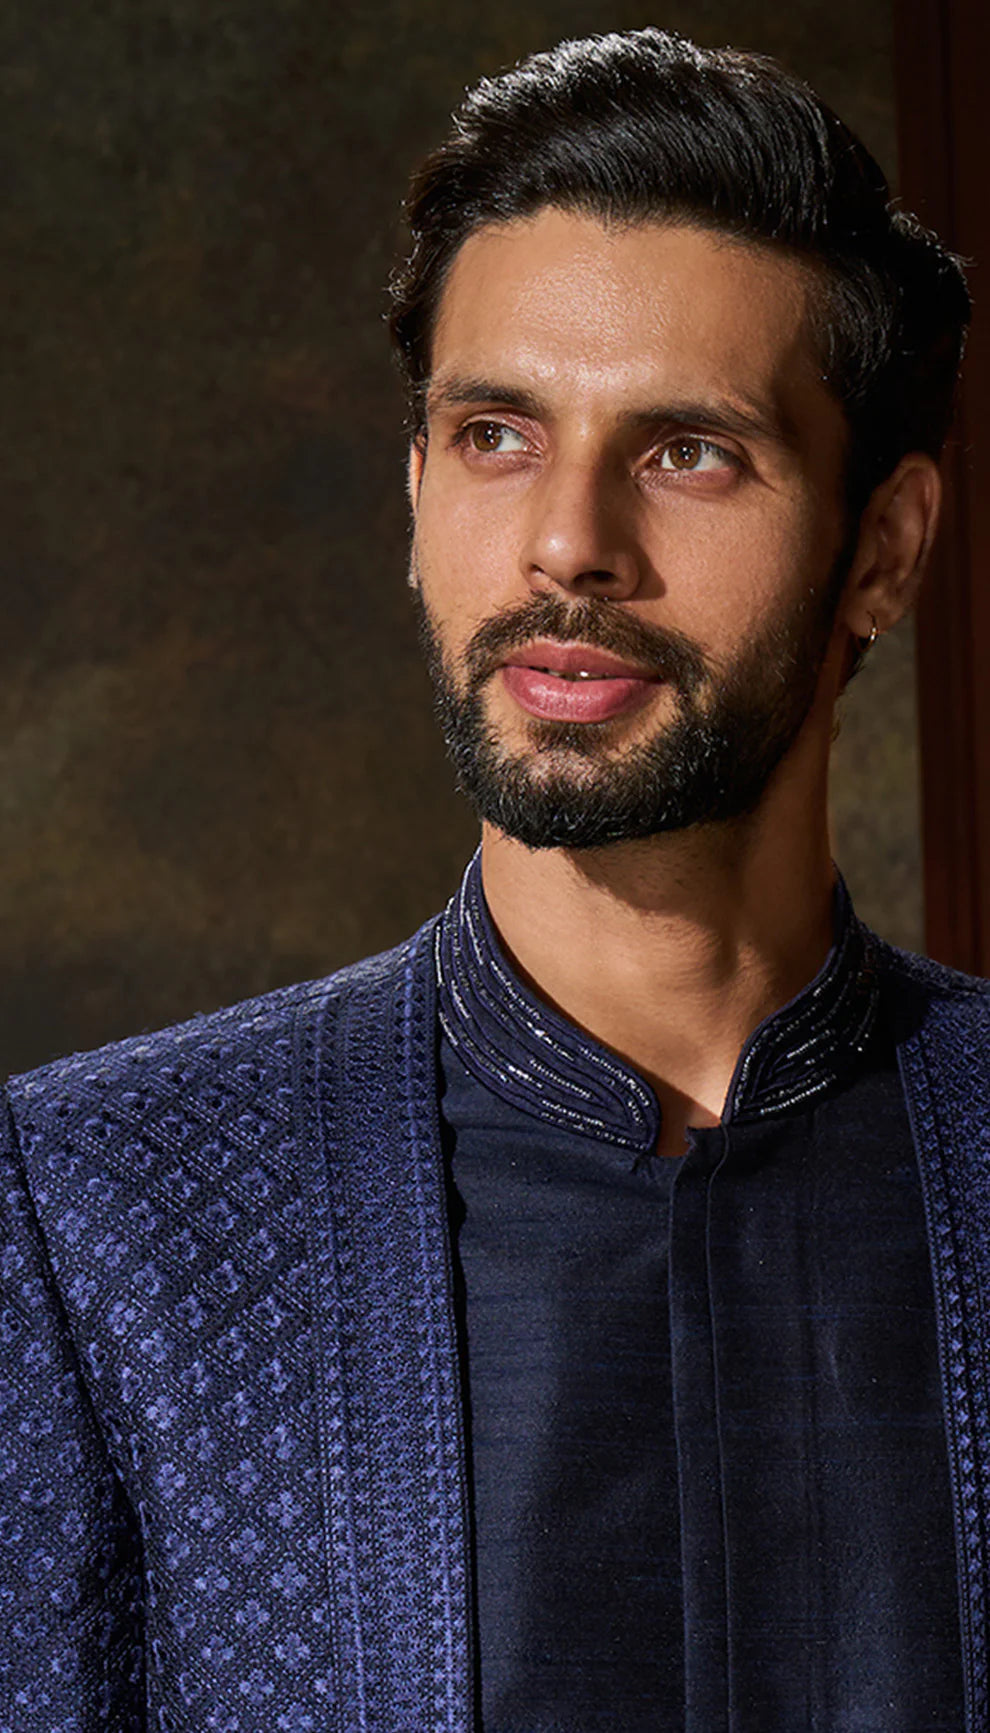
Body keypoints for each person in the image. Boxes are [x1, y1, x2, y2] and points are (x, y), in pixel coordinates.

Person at [1, 25, 983, 1733]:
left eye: (686, 449)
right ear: (412, 487)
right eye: (494, 433)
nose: (564, 540)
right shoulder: (94, 1214)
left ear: (882, 547)